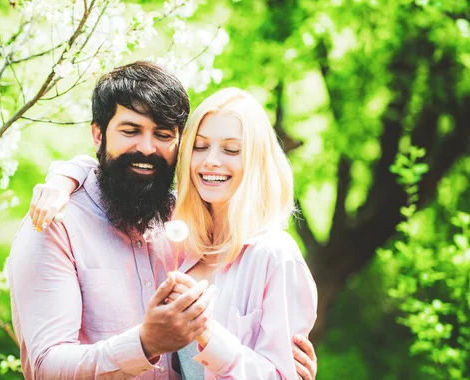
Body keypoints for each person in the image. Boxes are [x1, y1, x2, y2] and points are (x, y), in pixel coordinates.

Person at [30, 83, 318, 379]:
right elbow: (108, 166)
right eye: (200, 146)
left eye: (231, 149)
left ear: (257, 160)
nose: (211, 161)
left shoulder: (274, 256)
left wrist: (207, 332)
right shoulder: (178, 246)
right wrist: (64, 177)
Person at [8, 61, 215, 379]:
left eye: (162, 134)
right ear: (98, 134)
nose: (147, 148)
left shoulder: (188, 217)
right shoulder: (56, 225)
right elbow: (46, 366)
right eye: (130, 131)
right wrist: (144, 344)